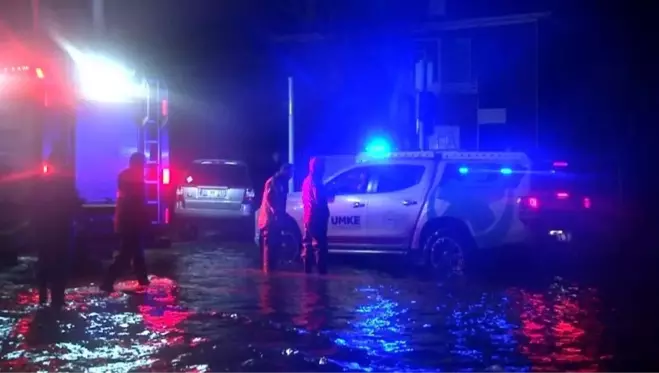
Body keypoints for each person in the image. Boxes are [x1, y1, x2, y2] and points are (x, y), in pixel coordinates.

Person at [33, 148, 79, 308]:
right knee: (60, 264)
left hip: (46, 230)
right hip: (62, 229)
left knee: (45, 261)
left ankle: (43, 296)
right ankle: (57, 299)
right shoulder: (65, 183)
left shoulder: (41, 182)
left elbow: (33, 206)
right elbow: (73, 204)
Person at [101, 152, 150, 292]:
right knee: (127, 254)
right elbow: (137, 201)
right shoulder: (135, 178)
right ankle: (108, 281)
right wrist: (145, 218)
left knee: (136, 251)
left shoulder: (126, 176)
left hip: (127, 220)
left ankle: (143, 280)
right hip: (131, 221)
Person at [257, 163, 293, 272]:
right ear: (285, 171)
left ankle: (273, 273)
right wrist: (276, 214)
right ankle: (268, 275)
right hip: (269, 220)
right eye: (291, 172)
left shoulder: (282, 182)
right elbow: (270, 200)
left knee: (275, 246)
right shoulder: (274, 182)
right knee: (269, 247)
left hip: (275, 220)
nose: (292, 175)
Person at [301, 157, 330, 274]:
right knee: (320, 245)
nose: (324, 169)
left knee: (308, 244)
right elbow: (318, 198)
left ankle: (307, 273)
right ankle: (321, 276)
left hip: (309, 216)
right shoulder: (315, 181)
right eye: (322, 166)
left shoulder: (307, 180)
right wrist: (328, 193)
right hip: (317, 216)